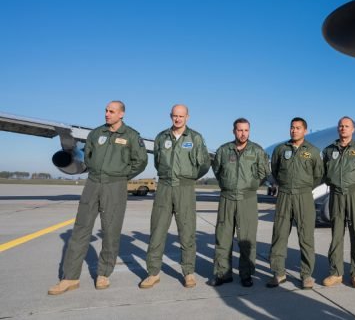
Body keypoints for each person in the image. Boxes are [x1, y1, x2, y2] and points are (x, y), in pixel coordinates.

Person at [48, 101, 148, 295]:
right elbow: (87, 156)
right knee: (80, 229)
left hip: (115, 186)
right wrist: (96, 171)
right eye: (106, 110)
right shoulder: (96, 134)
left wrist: (121, 175)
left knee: (111, 230)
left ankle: (104, 273)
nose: (107, 114)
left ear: (121, 114)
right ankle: (69, 277)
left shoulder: (131, 136)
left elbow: (141, 161)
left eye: (111, 111)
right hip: (93, 184)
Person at [139, 104, 210, 289]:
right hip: (164, 187)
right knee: (157, 231)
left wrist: (190, 176)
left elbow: (204, 164)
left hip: (185, 188)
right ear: (171, 116)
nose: (177, 119)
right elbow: (157, 162)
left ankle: (188, 273)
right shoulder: (161, 137)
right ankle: (153, 273)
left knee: (187, 232)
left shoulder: (195, 138)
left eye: (181, 116)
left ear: (187, 117)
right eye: (174, 116)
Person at [208, 118, 270, 287]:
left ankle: (246, 274)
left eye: (246, 130)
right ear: (233, 131)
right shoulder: (223, 150)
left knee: (247, 238)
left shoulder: (257, 151)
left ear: (249, 131)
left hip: (247, 199)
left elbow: (263, 173)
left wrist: (251, 186)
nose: (243, 134)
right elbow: (217, 170)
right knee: (223, 237)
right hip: (227, 198)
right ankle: (223, 273)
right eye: (240, 130)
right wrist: (227, 184)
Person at [267, 117, 324, 289]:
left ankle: (306, 275)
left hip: (304, 196)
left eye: (298, 128)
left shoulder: (313, 151)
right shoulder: (280, 149)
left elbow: (318, 174)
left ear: (305, 131)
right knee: (279, 235)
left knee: (306, 236)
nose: (294, 130)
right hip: (284, 195)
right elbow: (275, 170)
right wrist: (285, 185)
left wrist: (304, 187)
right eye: (292, 127)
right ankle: (278, 273)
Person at [321, 116, 355, 289]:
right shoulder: (329, 151)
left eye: (347, 126)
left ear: (353, 129)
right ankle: (336, 272)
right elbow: (324, 173)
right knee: (336, 234)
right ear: (338, 129)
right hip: (336, 194)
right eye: (341, 126)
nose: (343, 128)